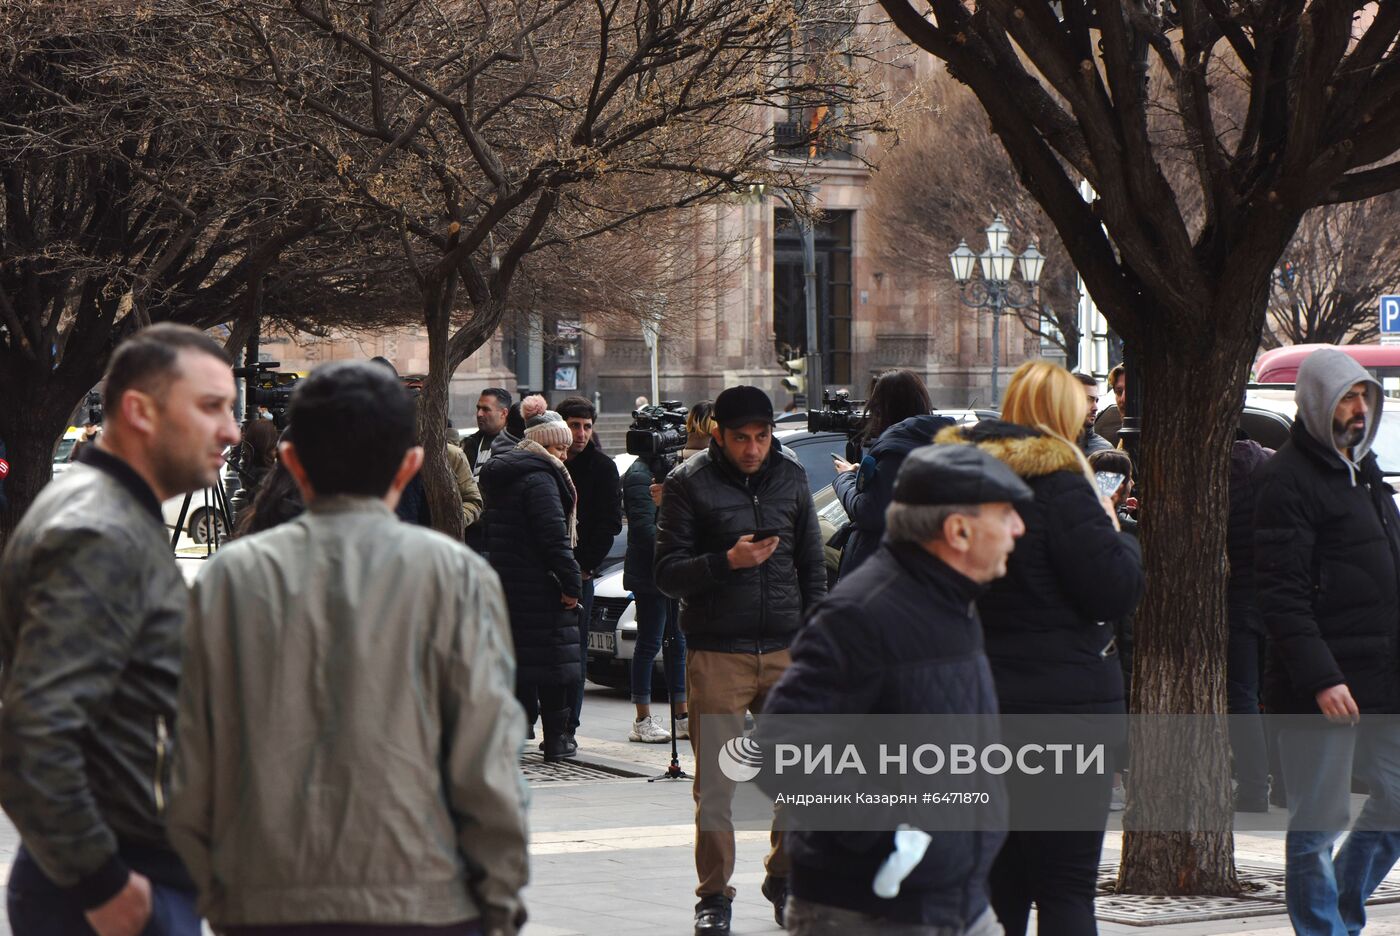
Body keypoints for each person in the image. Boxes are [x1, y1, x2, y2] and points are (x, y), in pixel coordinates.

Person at [168, 361, 528, 936]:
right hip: (425, 897)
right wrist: (499, 899)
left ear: (291, 461)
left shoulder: (228, 578)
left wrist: (217, 892)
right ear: (410, 466)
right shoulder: (454, 575)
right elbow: (487, 762)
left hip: (268, 899)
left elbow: (190, 761)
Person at [0, 323, 240, 936]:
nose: (231, 431)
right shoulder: (97, 533)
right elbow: (34, 736)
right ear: (139, 411)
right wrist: (104, 886)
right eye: (211, 407)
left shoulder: (111, 516)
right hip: (111, 887)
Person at [760, 444, 1031, 936]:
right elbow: (782, 747)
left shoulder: (954, 601)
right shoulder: (864, 614)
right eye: (1006, 514)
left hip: (959, 898)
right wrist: (894, 838)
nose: (1018, 528)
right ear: (959, 530)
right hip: (873, 910)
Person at [936, 360, 1143, 936]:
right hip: (1066, 715)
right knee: (1065, 888)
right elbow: (1113, 588)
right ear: (1062, 416)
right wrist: (1118, 532)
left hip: (981, 706)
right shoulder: (1064, 487)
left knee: (999, 886)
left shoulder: (962, 482)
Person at [654, 385, 827, 936]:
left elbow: (811, 565)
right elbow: (666, 572)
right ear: (717, 436)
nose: (753, 448)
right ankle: (714, 897)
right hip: (718, 650)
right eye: (741, 439)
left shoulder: (792, 477)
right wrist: (725, 562)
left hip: (785, 648)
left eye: (762, 436)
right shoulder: (688, 484)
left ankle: (784, 876)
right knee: (719, 785)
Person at [1254, 348, 1400, 935]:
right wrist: (1321, 677)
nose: (1358, 409)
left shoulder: (1364, 473)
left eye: (1363, 396)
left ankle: (1341, 907)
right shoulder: (1285, 479)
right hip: (1322, 684)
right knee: (1317, 823)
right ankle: (1323, 929)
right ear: (1318, 401)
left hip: (1382, 675)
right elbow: (1280, 594)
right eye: (1346, 397)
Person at [479, 409, 584, 761]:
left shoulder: (507, 474)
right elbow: (554, 538)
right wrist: (572, 584)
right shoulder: (540, 479)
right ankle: (557, 740)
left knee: (520, 663)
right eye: (559, 449)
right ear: (544, 446)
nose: (564, 456)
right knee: (553, 665)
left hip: (511, 583)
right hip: (543, 586)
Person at [831, 369, 952, 578]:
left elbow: (869, 512)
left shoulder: (896, 450)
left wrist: (845, 478)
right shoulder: (931, 445)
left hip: (882, 576)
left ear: (884, 407)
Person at [557, 396, 623, 743]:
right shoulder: (551, 463)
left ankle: (569, 727)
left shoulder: (602, 467)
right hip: (548, 573)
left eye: (586, 426)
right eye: (574, 425)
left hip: (580, 573)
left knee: (575, 655)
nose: (580, 433)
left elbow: (608, 524)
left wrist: (584, 568)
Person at [622, 453, 687, 744]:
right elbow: (643, 527)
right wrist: (676, 543)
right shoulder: (639, 474)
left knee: (678, 641)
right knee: (649, 643)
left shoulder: (668, 467)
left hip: (669, 570)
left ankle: (682, 717)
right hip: (649, 574)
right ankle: (642, 720)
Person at [1226, 434, 1273, 814]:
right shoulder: (1271, 468)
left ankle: (1255, 787)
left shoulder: (1219, 482)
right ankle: (1282, 785)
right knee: (1275, 692)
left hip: (1238, 593)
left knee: (1241, 693)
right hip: (1277, 593)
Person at [465, 387, 511, 476]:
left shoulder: (516, 445)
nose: (479, 414)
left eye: (486, 409)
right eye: (478, 408)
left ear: (504, 413)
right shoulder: (469, 443)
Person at [1073, 373, 1112, 454]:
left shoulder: (1104, 451)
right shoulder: (1046, 445)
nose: (1095, 408)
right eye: (1088, 400)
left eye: (1096, 400)